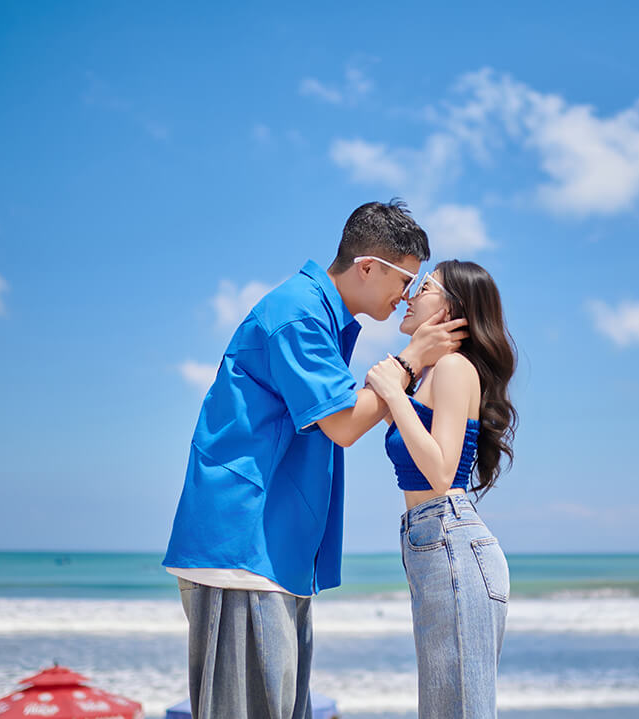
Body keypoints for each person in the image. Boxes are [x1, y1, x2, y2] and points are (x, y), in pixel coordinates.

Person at [162, 200, 469, 719]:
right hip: (245, 545)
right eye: (405, 280)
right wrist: (411, 360)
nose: (407, 296)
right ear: (367, 266)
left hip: (274, 550)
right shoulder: (299, 314)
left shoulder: (321, 317)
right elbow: (345, 424)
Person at [365, 260, 518, 719]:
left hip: (450, 541)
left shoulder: (454, 367)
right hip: (435, 545)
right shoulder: (429, 375)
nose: (410, 295)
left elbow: (441, 471)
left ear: (452, 309)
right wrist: (405, 370)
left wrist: (395, 393)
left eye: (425, 285)